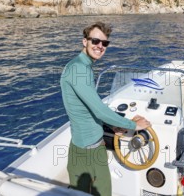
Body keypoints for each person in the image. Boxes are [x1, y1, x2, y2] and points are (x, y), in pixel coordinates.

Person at [60, 22, 151, 196]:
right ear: (84, 41)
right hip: (83, 154)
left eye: (104, 43)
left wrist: (113, 126)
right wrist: (133, 126)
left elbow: (90, 107)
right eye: (95, 41)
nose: (100, 46)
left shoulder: (84, 66)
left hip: (97, 147)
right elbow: (100, 110)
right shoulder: (78, 69)